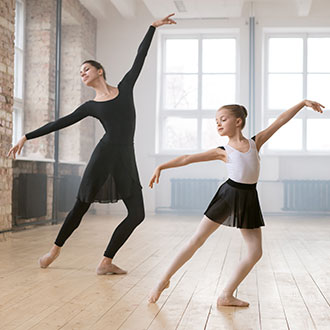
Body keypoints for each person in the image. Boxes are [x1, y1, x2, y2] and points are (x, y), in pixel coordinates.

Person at [7, 14, 176, 275]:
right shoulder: (91, 106)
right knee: (81, 206)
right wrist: (26, 136)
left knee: (137, 214)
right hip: (104, 155)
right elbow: (60, 123)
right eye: (79, 73)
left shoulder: (125, 87)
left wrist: (152, 27)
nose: (82, 74)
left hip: (125, 157)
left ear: (99, 71)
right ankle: (54, 250)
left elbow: (139, 58)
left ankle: (106, 261)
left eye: (86, 69)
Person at [148, 99, 324, 306]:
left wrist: (302, 104)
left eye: (223, 119)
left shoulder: (254, 143)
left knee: (255, 252)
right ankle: (163, 280)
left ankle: (226, 295)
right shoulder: (222, 151)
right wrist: (162, 166)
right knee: (197, 240)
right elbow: (187, 158)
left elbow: (280, 121)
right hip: (228, 195)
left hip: (248, 197)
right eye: (216, 121)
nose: (218, 124)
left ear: (238, 121)